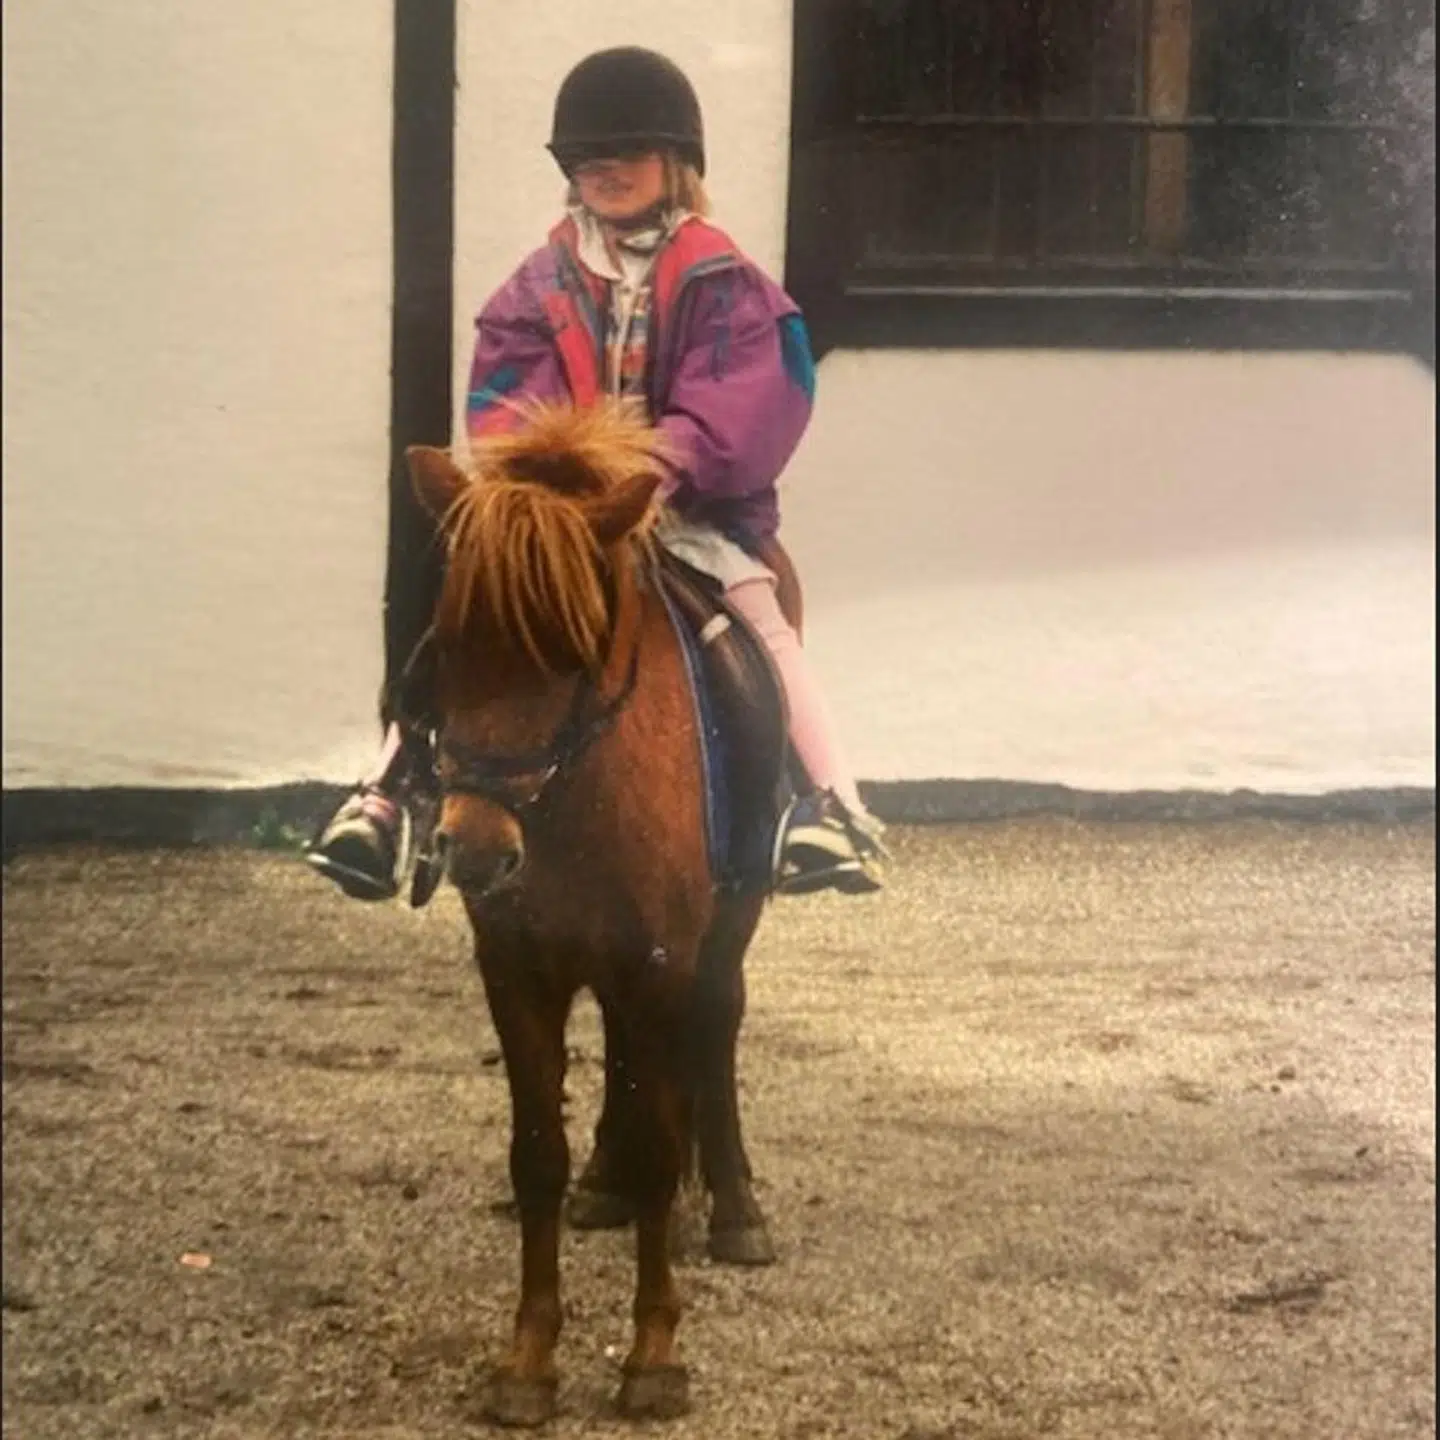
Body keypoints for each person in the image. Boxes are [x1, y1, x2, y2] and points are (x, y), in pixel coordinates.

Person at [308, 45, 885, 904]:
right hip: (557, 518)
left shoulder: (729, 286)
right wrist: (556, 486)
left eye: (626, 154)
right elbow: (507, 407)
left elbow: (746, 405)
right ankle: (387, 792)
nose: (603, 171)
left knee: (760, 618)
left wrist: (649, 469)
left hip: (687, 510)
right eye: (585, 159)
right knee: (465, 608)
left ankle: (826, 801)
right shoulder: (533, 287)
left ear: (678, 164)